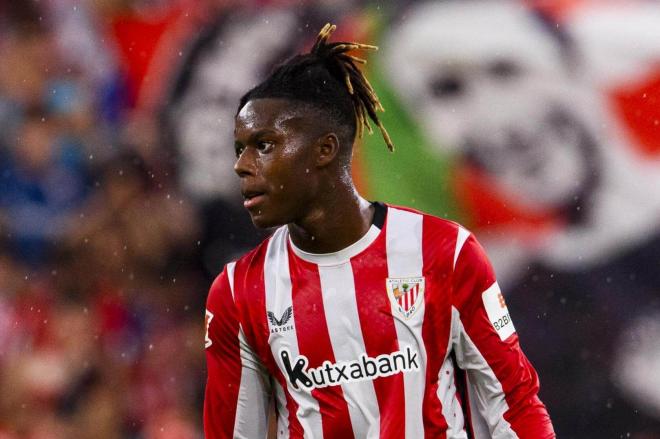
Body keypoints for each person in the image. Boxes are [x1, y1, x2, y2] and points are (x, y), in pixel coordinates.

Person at [203, 24, 555, 438]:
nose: (242, 166)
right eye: (239, 149)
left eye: (263, 146)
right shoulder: (238, 292)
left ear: (324, 149)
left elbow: (512, 402)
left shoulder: (445, 252)